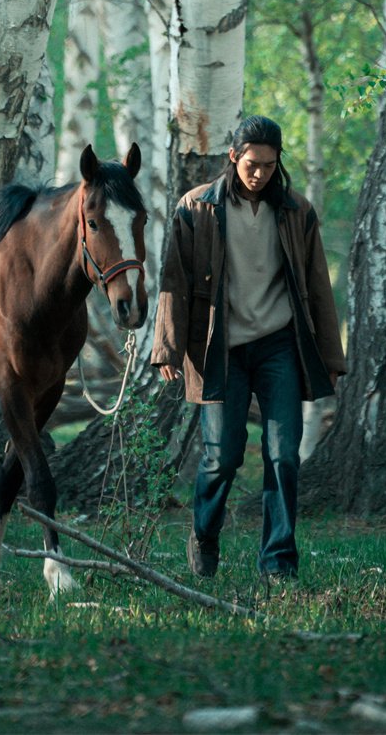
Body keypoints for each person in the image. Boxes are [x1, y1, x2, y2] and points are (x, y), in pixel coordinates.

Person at [151, 115, 346, 582]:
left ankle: (278, 562)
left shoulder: (297, 211)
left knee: (283, 455)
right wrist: (167, 348)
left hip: (279, 345)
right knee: (223, 456)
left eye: (269, 166)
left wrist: (330, 357)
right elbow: (173, 283)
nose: (259, 174)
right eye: (251, 164)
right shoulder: (196, 208)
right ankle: (204, 536)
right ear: (233, 158)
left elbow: (318, 286)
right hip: (222, 349)